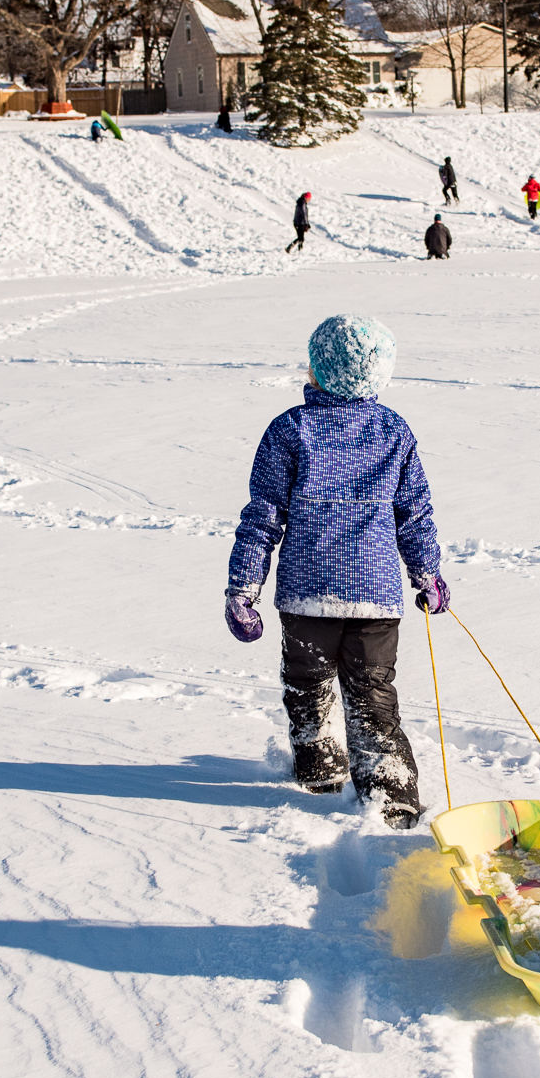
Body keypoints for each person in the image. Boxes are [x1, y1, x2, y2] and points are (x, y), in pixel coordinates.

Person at [222, 315, 451, 830]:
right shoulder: (393, 429)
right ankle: (389, 799)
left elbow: (263, 517)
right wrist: (425, 572)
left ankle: (320, 768)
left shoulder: (290, 429)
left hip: (307, 598)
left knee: (308, 686)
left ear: (319, 372)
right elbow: (414, 513)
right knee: (372, 694)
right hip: (374, 598)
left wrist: (244, 587)